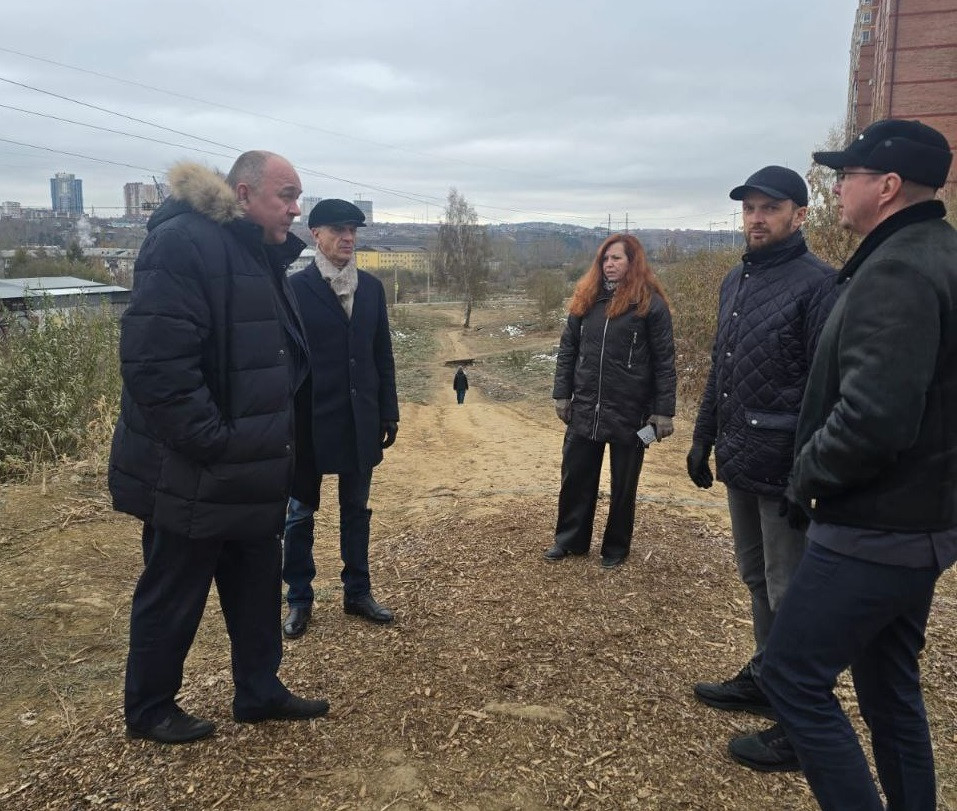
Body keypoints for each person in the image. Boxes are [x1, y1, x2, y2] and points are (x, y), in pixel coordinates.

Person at [743, 120, 957, 809]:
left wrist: (805, 476)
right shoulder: (938, 252)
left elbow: (874, 417)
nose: (836, 188)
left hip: (874, 526)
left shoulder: (896, 271)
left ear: (887, 186)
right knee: (887, 687)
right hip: (922, 522)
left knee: (791, 677)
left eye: (847, 176)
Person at [109, 151, 330, 745]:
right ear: (244, 193)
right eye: (287, 195)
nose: (296, 209)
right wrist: (215, 442)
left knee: (256, 585)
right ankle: (150, 708)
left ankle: (259, 691)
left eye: (298, 196)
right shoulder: (183, 243)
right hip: (194, 469)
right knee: (173, 592)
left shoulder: (256, 251)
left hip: (251, 466)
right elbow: (156, 365)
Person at [686, 166, 837, 767]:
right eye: (749, 208)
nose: (756, 218)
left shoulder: (820, 285)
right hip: (740, 459)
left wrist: (812, 473)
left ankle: (802, 719)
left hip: (787, 472)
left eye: (769, 208)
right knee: (756, 577)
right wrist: (702, 437)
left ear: (799, 215)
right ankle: (767, 677)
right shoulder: (735, 280)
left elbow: (827, 389)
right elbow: (722, 371)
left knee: (789, 590)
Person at [281, 199, 399, 639]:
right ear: (316, 234)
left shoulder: (371, 289)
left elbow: (381, 355)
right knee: (299, 514)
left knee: (356, 511)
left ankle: (358, 592)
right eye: (338, 230)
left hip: (359, 419)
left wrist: (388, 412)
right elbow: (284, 359)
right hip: (308, 422)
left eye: (352, 230)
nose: (348, 237)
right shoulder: (294, 288)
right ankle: (299, 599)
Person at [544, 233, 676, 569]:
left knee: (623, 485)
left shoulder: (650, 305)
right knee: (576, 477)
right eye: (605, 258)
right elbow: (568, 349)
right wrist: (562, 394)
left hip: (631, 412)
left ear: (633, 261)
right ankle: (570, 540)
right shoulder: (587, 300)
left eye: (617, 258)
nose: (609, 264)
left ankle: (616, 547)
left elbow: (664, 362)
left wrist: (663, 412)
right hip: (586, 406)